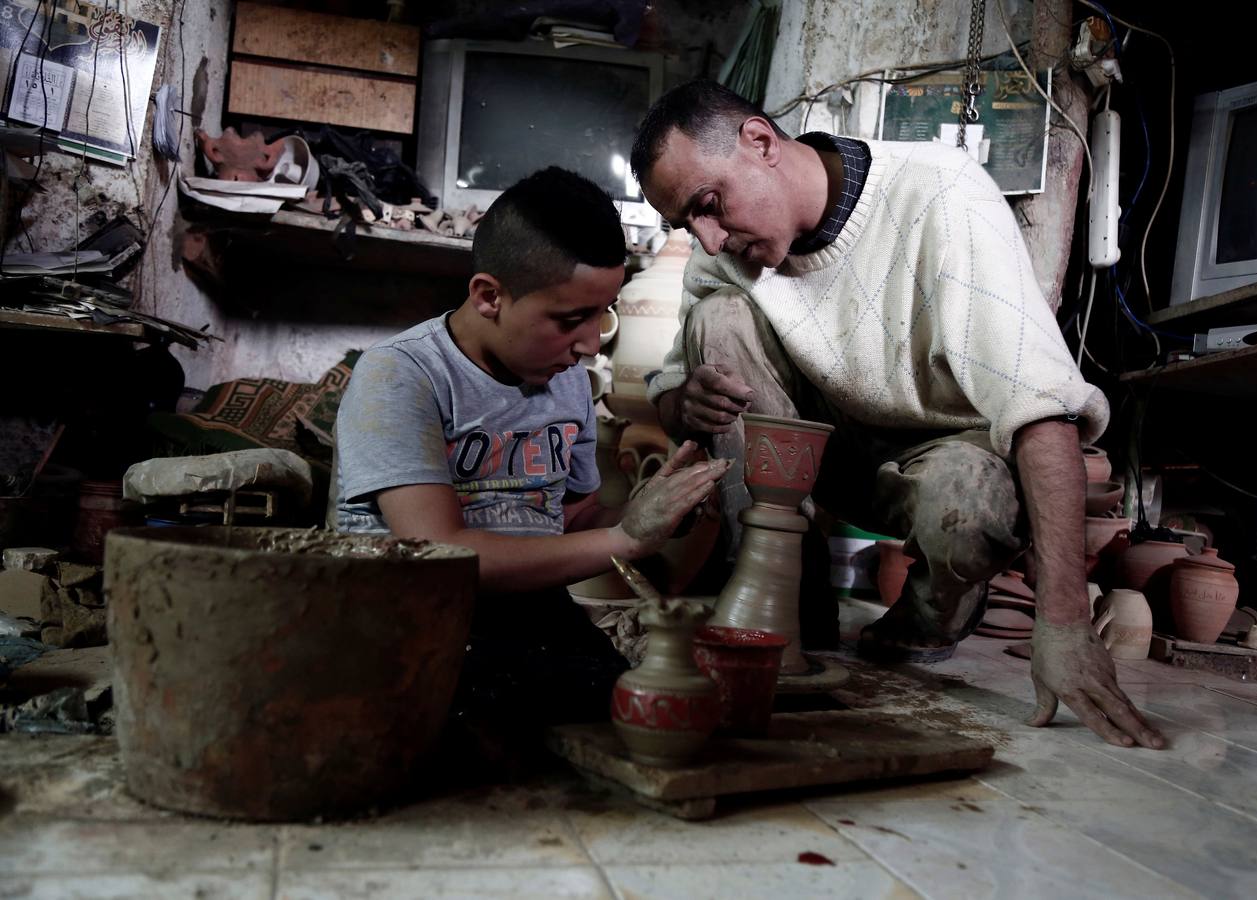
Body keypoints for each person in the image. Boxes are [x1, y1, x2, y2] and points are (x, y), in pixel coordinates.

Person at [628, 79, 1164, 750]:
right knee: (718, 319)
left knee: (967, 506)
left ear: (760, 142)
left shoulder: (939, 194)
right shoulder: (727, 258)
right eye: (687, 225)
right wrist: (688, 402)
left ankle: (930, 613)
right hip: (818, 451)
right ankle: (783, 600)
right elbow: (673, 395)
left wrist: (1062, 620)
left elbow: (1041, 409)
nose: (706, 240)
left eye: (709, 206)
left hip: (937, 460)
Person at [334, 166, 730, 726]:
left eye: (602, 314)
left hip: (527, 611)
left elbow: (568, 518)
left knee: (640, 713)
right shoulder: (401, 377)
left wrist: (656, 513)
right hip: (407, 617)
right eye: (571, 319)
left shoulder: (565, 377)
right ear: (490, 296)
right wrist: (626, 537)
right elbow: (439, 556)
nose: (591, 345)